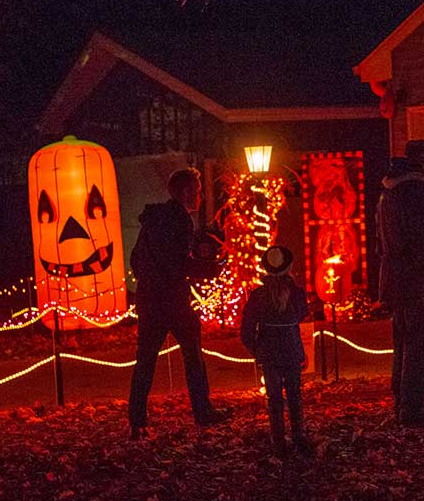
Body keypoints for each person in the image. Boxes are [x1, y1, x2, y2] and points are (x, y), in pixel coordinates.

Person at [128, 167, 228, 438]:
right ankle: (202, 410)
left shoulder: (152, 221)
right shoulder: (181, 221)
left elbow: (136, 259)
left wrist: (148, 282)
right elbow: (177, 262)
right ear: (186, 193)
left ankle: (136, 419)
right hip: (172, 299)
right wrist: (210, 269)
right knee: (193, 352)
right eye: (197, 192)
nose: (201, 197)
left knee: (145, 359)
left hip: (149, 299)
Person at [376, 139, 424, 427]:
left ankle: (406, 394)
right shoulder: (418, 193)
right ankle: (413, 407)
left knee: (406, 341)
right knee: (422, 343)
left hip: (400, 280)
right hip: (421, 282)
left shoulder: (391, 192)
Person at [240, 245, 311, 458]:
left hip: (268, 354)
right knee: (294, 395)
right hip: (290, 351)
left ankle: (278, 441)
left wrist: (257, 349)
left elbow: (246, 330)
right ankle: (298, 437)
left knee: (274, 398)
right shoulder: (297, 294)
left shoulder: (258, 296)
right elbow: (302, 314)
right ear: (289, 267)